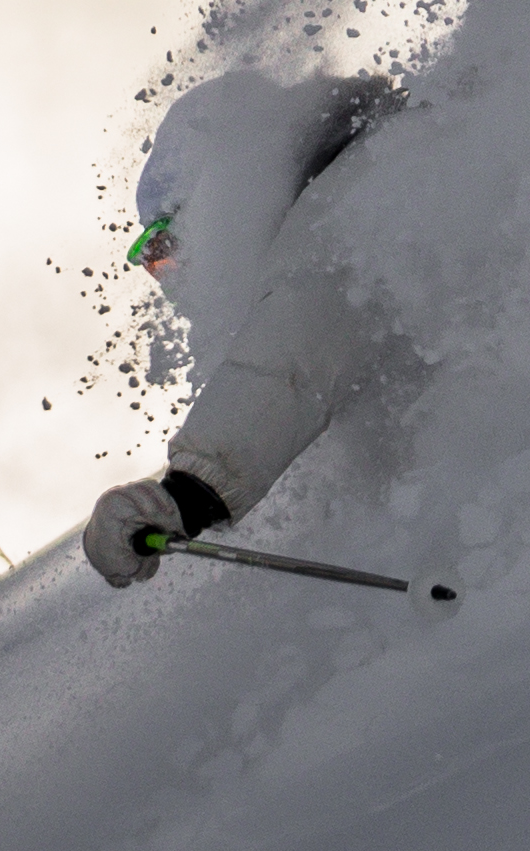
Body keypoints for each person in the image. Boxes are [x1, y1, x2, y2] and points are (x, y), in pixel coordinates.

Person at [80, 66, 411, 586]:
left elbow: (290, 353)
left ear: (216, 198)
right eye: (153, 263)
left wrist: (187, 494)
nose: (170, 278)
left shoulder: (338, 214)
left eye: (164, 249)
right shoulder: (385, 156)